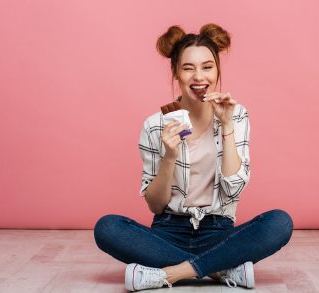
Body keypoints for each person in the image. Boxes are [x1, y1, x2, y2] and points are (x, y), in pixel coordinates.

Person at [94, 23, 293, 292]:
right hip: (167, 232)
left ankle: (173, 273)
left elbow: (234, 187)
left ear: (217, 71)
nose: (199, 76)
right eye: (188, 68)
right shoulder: (155, 125)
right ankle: (219, 269)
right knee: (107, 228)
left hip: (219, 230)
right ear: (176, 72)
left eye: (207, 66)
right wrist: (169, 156)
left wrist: (227, 127)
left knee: (279, 222)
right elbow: (155, 205)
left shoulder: (237, 114)